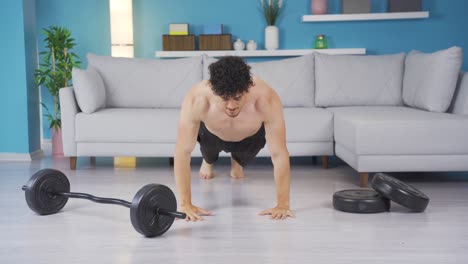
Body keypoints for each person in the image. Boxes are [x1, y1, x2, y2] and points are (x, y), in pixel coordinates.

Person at [173, 56, 295, 221]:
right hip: (212, 134)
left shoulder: (266, 99)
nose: (231, 106)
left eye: (237, 98)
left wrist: (283, 205)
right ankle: (208, 161)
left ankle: (237, 161)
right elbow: (182, 151)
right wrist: (185, 204)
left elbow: (279, 153)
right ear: (214, 90)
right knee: (208, 152)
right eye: (224, 99)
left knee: (239, 167)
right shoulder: (198, 99)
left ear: (247, 89)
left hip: (249, 136)